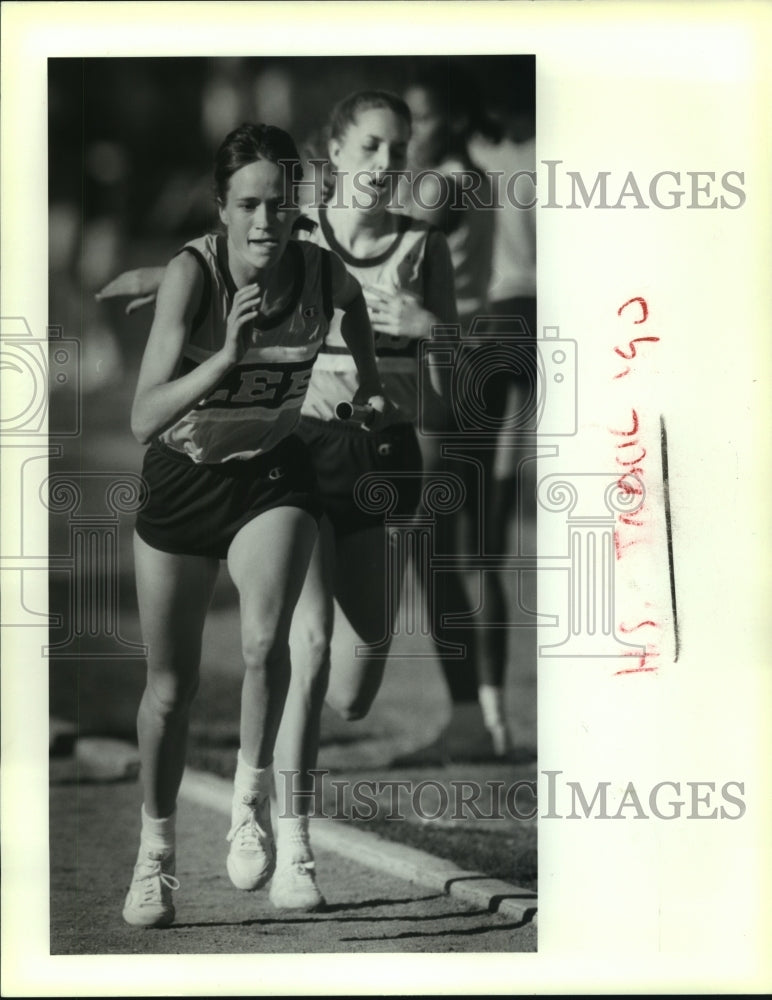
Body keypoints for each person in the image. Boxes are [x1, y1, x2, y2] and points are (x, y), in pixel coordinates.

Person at [119, 122, 384, 928]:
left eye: (279, 203)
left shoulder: (320, 272)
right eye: (249, 205)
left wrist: (369, 388)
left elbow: (357, 317)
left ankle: (248, 802)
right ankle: (155, 857)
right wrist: (224, 361)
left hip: (272, 474)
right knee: (172, 689)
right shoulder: (190, 278)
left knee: (267, 641)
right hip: (183, 480)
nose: (266, 221)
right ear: (222, 209)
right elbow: (140, 417)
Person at [396, 65, 512, 762]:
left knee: (433, 543)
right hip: (458, 361)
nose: (411, 134)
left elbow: (375, 248)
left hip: (451, 364)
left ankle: (472, 715)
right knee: (450, 546)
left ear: (455, 122)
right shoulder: (470, 177)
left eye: (424, 117)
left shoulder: (445, 184)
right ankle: (477, 715)